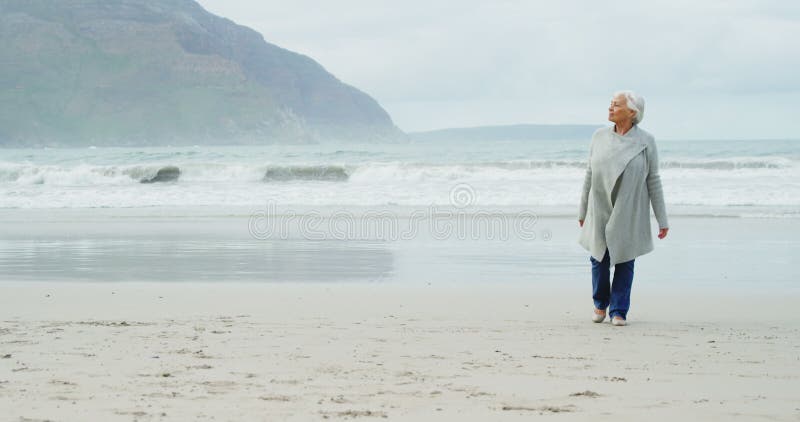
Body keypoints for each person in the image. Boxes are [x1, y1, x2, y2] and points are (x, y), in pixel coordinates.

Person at [577, 90, 669, 326]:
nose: (610, 108)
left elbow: (653, 179)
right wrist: (582, 210)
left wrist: (662, 219)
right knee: (599, 258)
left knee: (625, 259)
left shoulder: (646, 141)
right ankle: (600, 303)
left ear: (631, 112)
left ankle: (618, 310)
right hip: (600, 206)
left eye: (616, 105)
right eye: (611, 104)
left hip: (629, 209)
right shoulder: (599, 137)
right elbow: (589, 174)